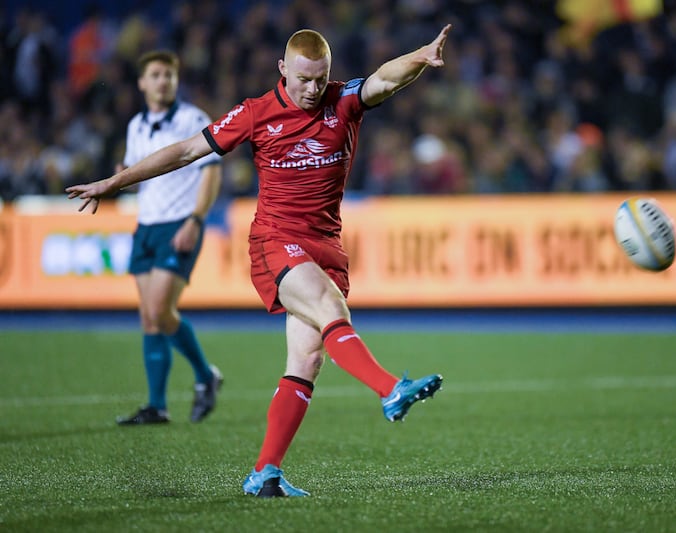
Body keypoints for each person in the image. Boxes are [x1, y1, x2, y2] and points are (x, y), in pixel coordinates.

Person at [67, 25, 451, 497]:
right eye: (304, 79)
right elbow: (188, 150)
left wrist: (419, 55)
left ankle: (264, 473)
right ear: (282, 69)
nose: (313, 89)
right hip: (276, 242)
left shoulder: (343, 100)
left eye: (320, 79)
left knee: (307, 359)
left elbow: (384, 80)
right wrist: (114, 182)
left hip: (327, 245)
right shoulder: (255, 114)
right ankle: (390, 389)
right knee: (333, 311)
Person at [114, 50, 224, 425]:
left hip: (178, 224)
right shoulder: (136, 126)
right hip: (145, 226)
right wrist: (123, 179)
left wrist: (195, 220)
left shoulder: (193, 120)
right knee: (149, 318)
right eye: (156, 75)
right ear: (142, 83)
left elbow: (211, 173)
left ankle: (205, 375)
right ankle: (157, 406)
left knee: (160, 310)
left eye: (169, 75)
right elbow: (139, 177)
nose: (163, 81)